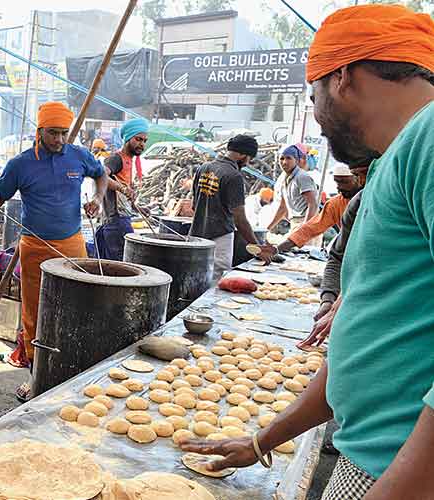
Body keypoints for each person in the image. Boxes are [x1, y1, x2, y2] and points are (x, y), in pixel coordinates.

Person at [181, 5, 434, 499]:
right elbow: (368, 339)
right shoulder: (390, 163)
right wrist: (261, 440)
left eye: (312, 94)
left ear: (342, 77)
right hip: (374, 454)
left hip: (401, 468)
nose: (316, 118)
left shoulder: (430, 139)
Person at [0, 101, 108, 401]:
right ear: (39, 132)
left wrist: (98, 199)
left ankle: (72, 372)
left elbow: (101, 174)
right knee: (35, 313)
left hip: (73, 244)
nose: (59, 140)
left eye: (64, 133)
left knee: (77, 306)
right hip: (35, 247)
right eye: (53, 133)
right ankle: (36, 377)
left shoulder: (79, 156)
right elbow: (0, 194)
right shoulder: (20, 164)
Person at [297, 161, 370, 350]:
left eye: (344, 181)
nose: (339, 187)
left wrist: (343, 301)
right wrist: (328, 300)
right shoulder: (356, 203)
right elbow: (338, 256)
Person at [189, 135, 271, 278]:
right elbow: (240, 219)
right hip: (220, 239)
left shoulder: (203, 168)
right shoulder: (234, 176)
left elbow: (194, 206)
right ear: (243, 155)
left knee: (195, 278)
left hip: (197, 236)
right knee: (216, 282)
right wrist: (258, 247)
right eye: (249, 158)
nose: (247, 163)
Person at [270, 163, 362, 254]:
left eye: (344, 182)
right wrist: (276, 249)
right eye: (337, 182)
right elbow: (310, 228)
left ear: (359, 179)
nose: (339, 187)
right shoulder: (335, 204)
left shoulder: (371, 199)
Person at [95, 117, 149, 261]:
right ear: (128, 138)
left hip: (121, 219)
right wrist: (123, 189)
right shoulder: (116, 159)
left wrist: (137, 208)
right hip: (115, 222)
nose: (142, 144)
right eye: (138, 139)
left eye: (144, 141)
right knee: (121, 266)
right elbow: (101, 175)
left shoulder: (129, 161)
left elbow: (124, 195)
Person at [267, 145, 320, 242]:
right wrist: (268, 228)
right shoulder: (284, 179)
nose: (284, 162)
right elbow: (283, 207)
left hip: (306, 223)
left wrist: (304, 228)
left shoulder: (302, 177)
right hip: (295, 223)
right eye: (281, 158)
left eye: (288, 158)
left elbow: (312, 204)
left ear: (296, 160)